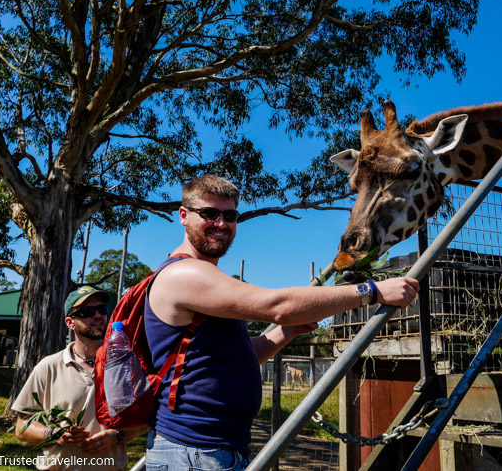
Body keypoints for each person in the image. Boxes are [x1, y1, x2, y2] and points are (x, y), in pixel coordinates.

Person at [144, 175, 420, 470]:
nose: (221, 223)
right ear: (184, 216)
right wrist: (371, 292)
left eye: (230, 215)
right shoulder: (184, 274)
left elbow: (239, 355)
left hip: (212, 450)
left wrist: (285, 333)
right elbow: (276, 306)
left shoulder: (207, 281)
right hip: (192, 452)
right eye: (209, 213)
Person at [12, 286, 145, 470]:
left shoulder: (125, 364)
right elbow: (22, 426)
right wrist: (53, 434)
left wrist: (117, 436)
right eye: (87, 311)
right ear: (70, 322)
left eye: (102, 309)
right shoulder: (49, 367)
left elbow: (143, 422)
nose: (98, 315)